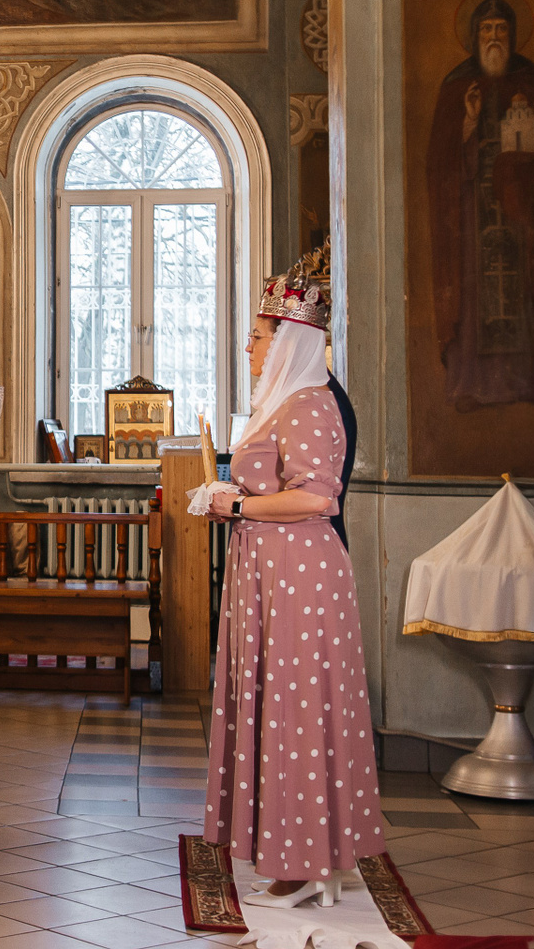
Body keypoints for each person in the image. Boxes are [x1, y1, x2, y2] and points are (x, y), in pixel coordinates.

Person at [201, 250, 381, 907]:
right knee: (278, 707)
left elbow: (316, 497)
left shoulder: (309, 404)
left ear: (287, 343)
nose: (248, 347)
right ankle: (296, 852)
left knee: (298, 714)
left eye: (257, 336)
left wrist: (236, 506)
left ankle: (306, 862)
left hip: (298, 574)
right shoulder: (285, 403)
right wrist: (231, 497)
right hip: (272, 568)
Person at [427, 0, 534, 410]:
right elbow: (439, 162)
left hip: (523, 215)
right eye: (486, 30)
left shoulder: (532, 81)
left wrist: (527, 166)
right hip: (473, 213)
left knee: (524, 292)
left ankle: (527, 382)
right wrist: (469, 122)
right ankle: (473, 384)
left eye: (501, 29)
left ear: (513, 34)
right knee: (475, 295)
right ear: (474, 36)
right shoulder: (457, 85)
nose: (494, 38)